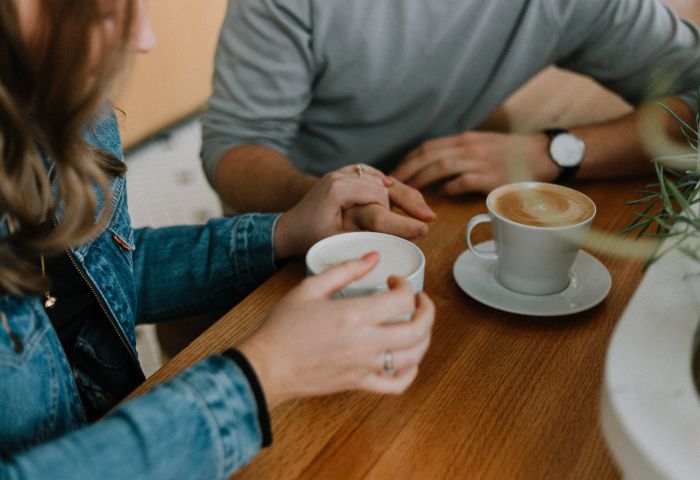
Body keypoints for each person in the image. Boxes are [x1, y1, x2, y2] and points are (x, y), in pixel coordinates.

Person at [0, 1, 435, 478]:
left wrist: (281, 231)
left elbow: (100, 277)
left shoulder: (50, 105)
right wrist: (263, 374)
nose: (144, 39)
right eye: (106, 11)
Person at [202, 0, 700, 214]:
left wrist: (557, 152)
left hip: (443, 198)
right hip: (289, 211)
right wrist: (321, 198)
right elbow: (236, 148)